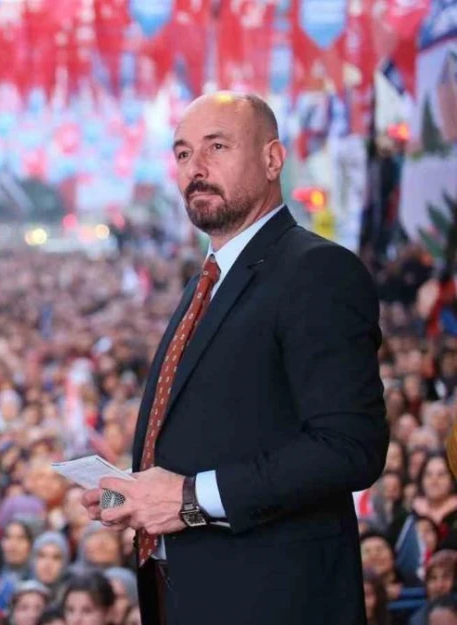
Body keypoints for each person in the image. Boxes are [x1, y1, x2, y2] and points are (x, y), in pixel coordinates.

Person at [81, 92, 388, 624]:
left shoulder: (317, 272)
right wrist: (139, 494)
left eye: (216, 147)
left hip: (276, 601)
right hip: (189, 595)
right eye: (181, 154)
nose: (195, 169)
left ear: (273, 160)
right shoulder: (211, 279)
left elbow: (350, 447)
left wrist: (188, 497)